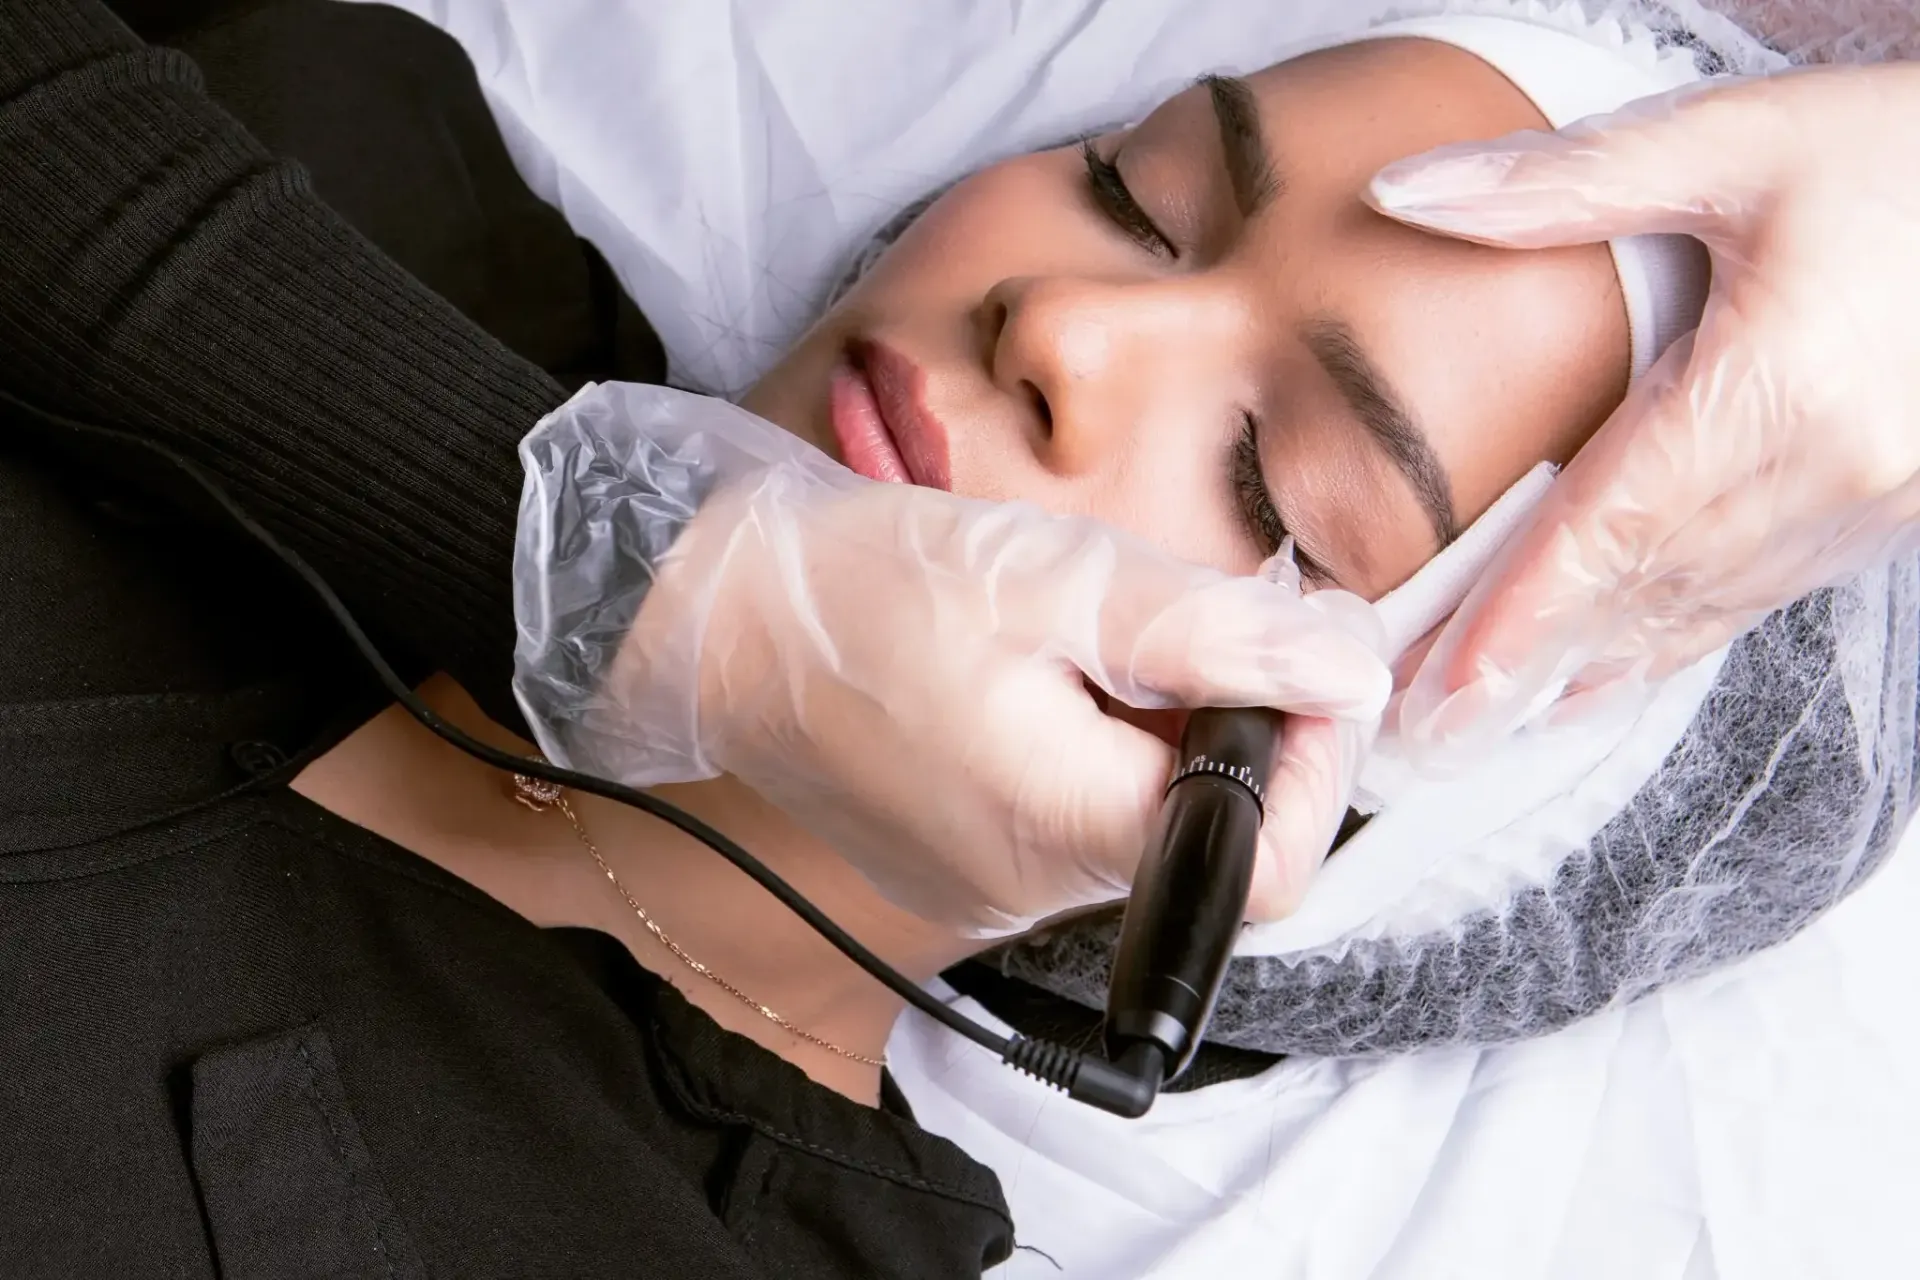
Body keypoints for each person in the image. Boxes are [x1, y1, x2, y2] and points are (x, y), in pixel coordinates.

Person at [1, 4, 1913, 1280]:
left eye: (1277, 484)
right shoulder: (376, 182)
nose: (1064, 328)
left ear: (1294, 843)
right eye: (1136, 195)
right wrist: (596, 555)